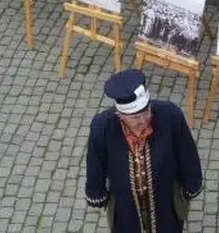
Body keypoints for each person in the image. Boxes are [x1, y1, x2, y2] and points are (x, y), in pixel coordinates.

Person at [85, 69, 203, 233]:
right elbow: (95, 164)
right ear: (120, 115)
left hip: (165, 203)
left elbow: (187, 154)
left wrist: (191, 185)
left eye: (146, 111)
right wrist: (96, 192)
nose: (143, 120)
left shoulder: (171, 116)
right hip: (125, 209)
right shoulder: (102, 127)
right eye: (135, 117)